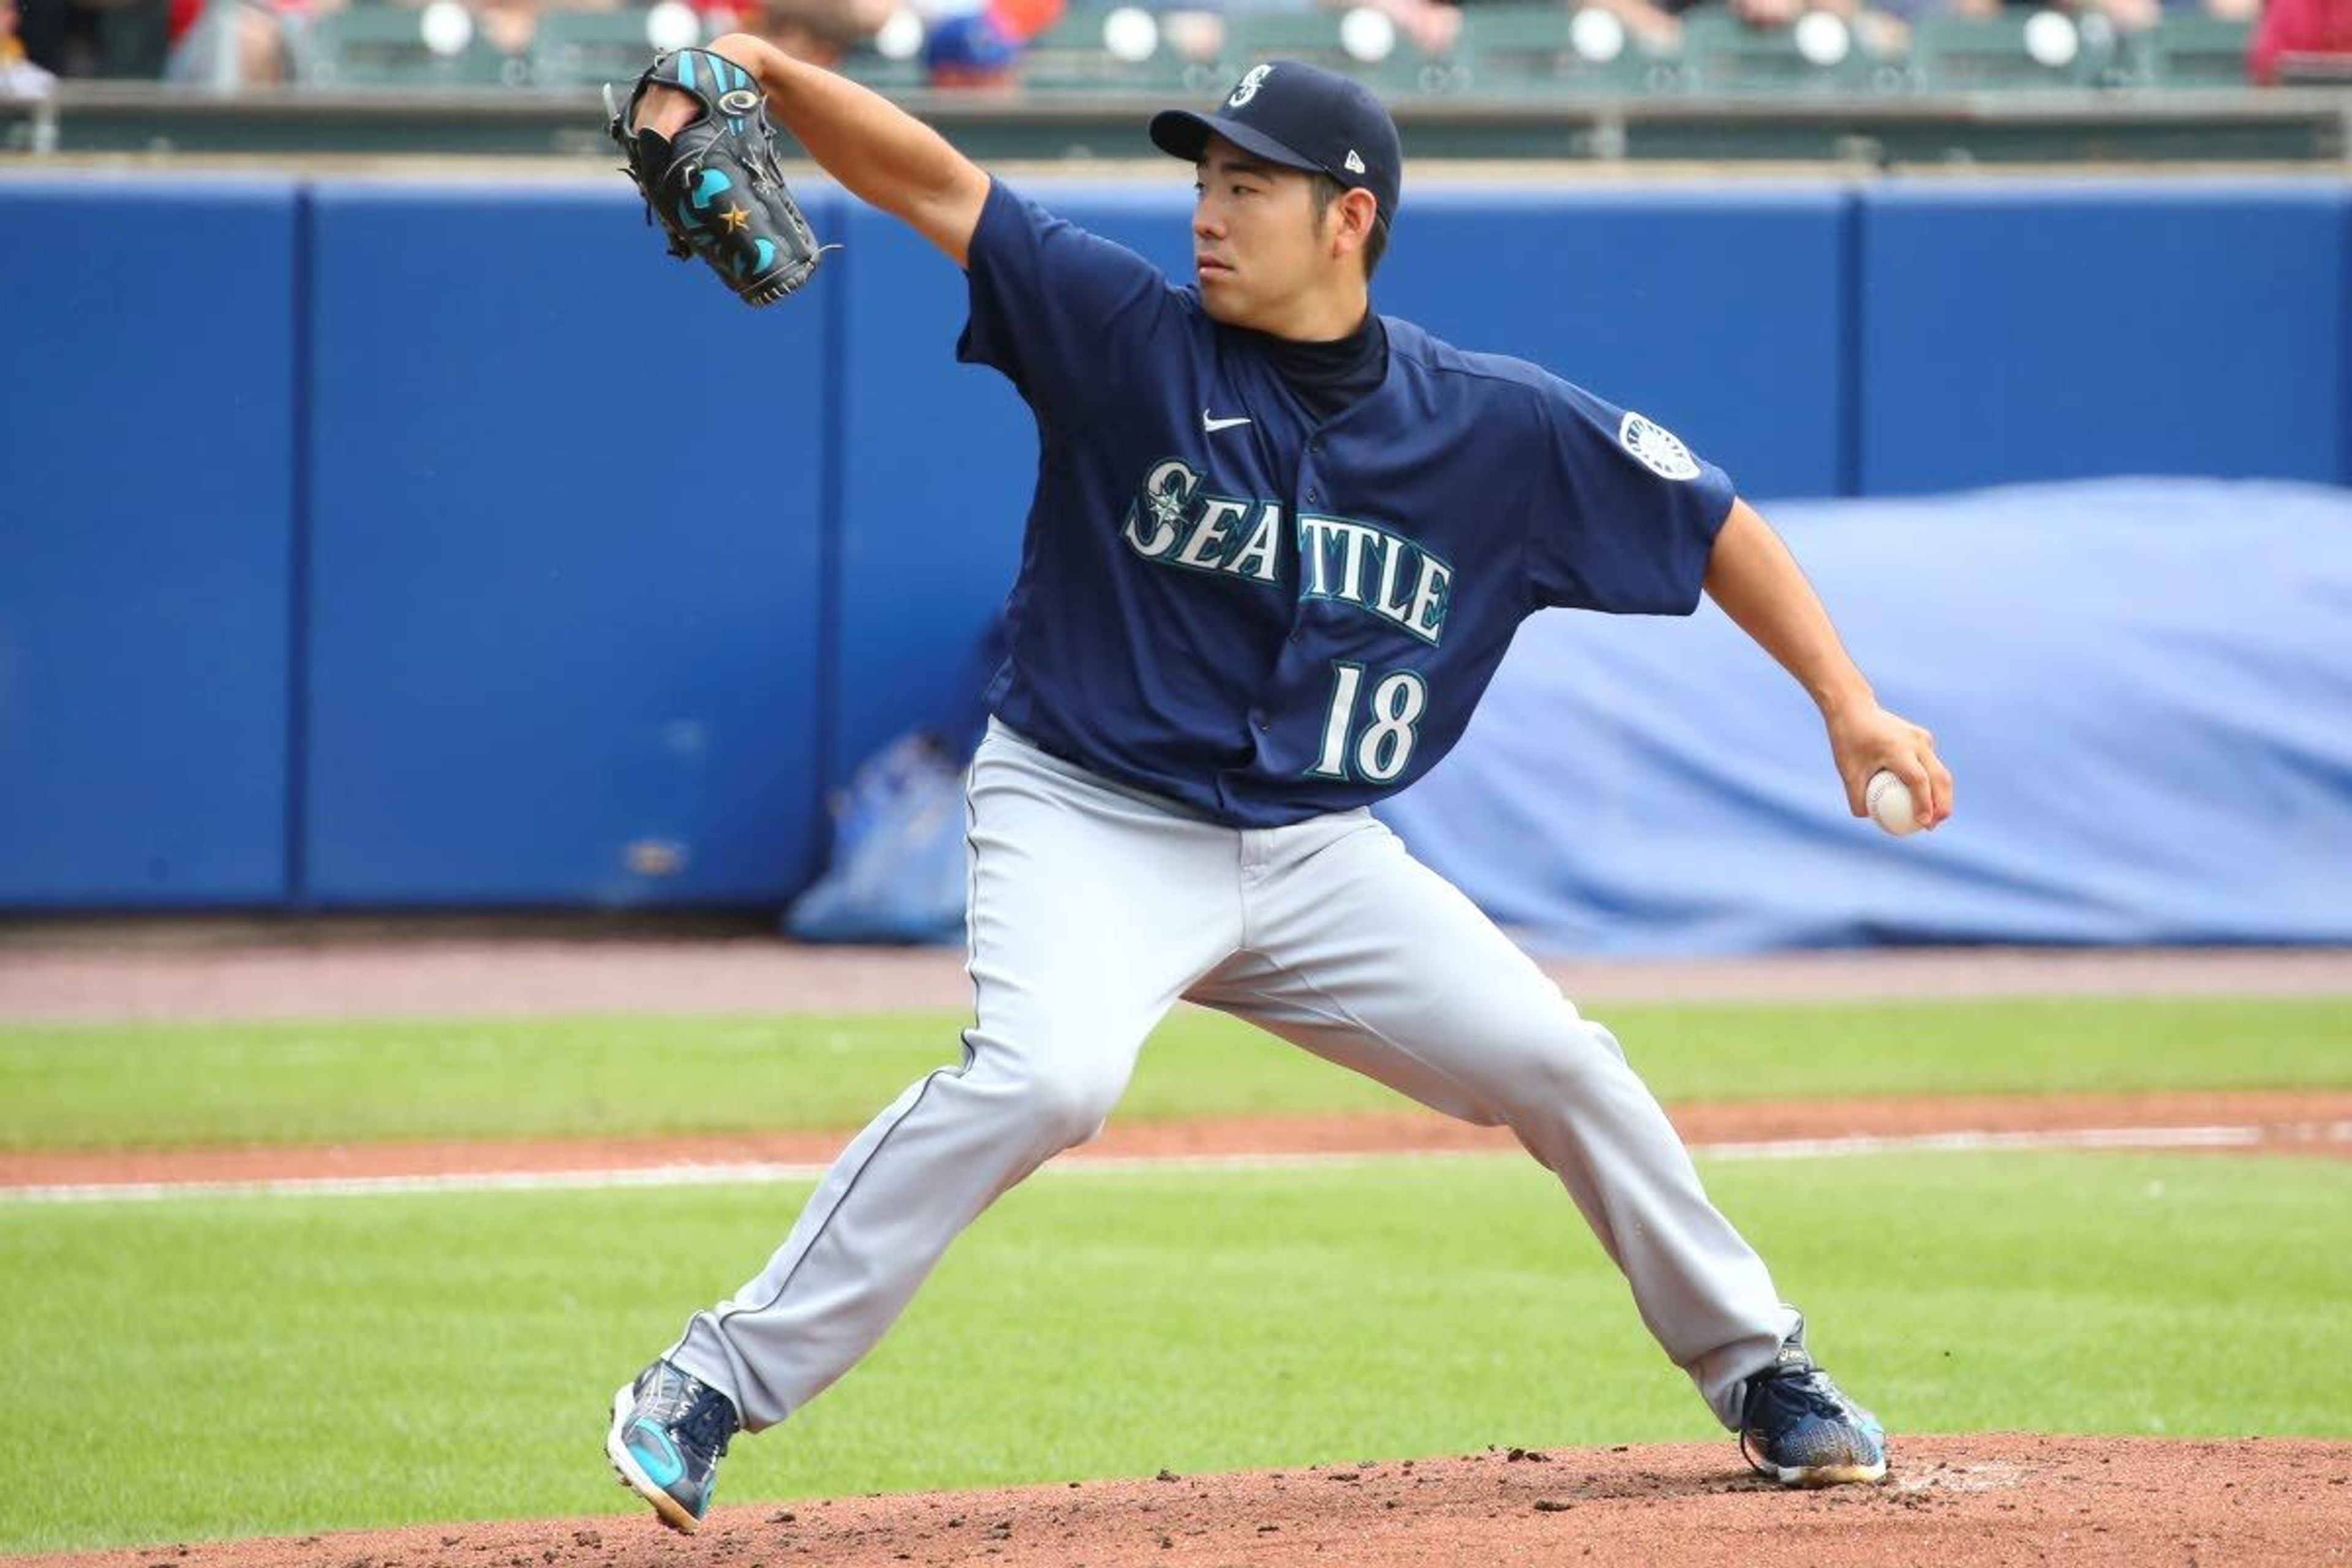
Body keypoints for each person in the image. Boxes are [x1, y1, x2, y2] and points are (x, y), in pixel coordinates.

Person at [604, 46, 1953, 1536]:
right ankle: (709, 1382)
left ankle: (1765, 1371)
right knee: (1049, 1079)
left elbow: (1708, 521)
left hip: (1315, 851)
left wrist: (1849, 697)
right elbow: (933, 180)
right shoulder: (1125, 333)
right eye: (1204, 179)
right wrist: (761, 68)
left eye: (1250, 183)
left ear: (1349, 219)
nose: (1209, 211)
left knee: (1565, 1063)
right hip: (1086, 811)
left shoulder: (1491, 424)